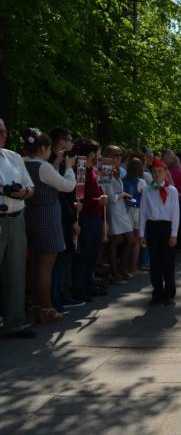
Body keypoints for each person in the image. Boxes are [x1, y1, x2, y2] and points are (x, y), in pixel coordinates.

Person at [22, 128, 77, 324]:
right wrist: (69, 167)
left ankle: (36, 306)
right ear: (43, 147)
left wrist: (56, 163)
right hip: (48, 218)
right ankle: (47, 308)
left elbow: (46, 179)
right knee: (46, 267)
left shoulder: (24, 163)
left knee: (36, 264)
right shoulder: (42, 167)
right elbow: (66, 186)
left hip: (31, 216)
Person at [0, 119, 37, 338]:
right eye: (0, 131)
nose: (3, 135)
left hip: (16, 217)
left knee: (16, 272)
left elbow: (31, 187)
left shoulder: (13, 157)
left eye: (4, 131)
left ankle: (15, 322)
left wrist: (22, 192)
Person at [48, 126, 85, 313]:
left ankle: (61, 294)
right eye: (69, 140)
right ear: (62, 141)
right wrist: (72, 218)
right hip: (59, 218)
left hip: (67, 214)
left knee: (64, 259)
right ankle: (54, 299)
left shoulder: (63, 163)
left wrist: (75, 207)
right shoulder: (54, 163)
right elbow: (63, 192)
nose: (71, 143)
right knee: (57, 261)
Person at [139, 158, 179, 305]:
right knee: (154, 263)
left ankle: (169, 293)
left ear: (165, 173)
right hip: (152, 228)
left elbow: (175, 214)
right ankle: (157, 292)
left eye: (160, 171)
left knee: (168, 263)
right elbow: (142, 212)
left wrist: (174, 234)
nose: (157, 175)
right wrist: (141, 234)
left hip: (166, 228)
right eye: (154, 172)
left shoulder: (172, 191)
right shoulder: (147, 190)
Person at [72, 138, 108, 301]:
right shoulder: (79, 172)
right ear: (92, 154)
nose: (100, 156)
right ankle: (79, 288)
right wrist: (96, 200)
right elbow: (80, 198)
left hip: (96, 217)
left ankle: (89, 283)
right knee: (84, 255)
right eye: (99, 152)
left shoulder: (94, 171)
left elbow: (99, 190)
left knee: (93, 255)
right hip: (86, 218)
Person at [103, 145, 136, 284]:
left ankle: (122, 269)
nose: (118, 157)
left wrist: (123, 196)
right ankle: (114, 272)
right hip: (113, 210)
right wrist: (123, 195)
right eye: (115, 155)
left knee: (129, 240)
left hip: (121, 209)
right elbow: (110, 197)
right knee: (116, 241)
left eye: (120, 155)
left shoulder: (116, 170)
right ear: (107, 156)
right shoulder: (104, 171)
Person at [123, 157, 147, 275]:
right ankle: (133, 268)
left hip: (125, 211)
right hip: (137, 212)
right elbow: (146, 198)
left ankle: (126, 268)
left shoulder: (123, 180)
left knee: (129, 242)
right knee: (136, 241)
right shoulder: (141, 182)